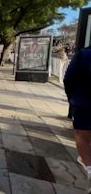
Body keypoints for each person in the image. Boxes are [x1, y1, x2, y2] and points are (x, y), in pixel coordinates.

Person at [63, 46, 91, 193]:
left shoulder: (84, 54)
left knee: (83, 137)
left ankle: (89, 168)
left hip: (84, 104)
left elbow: (68, 79)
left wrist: (73, 99)